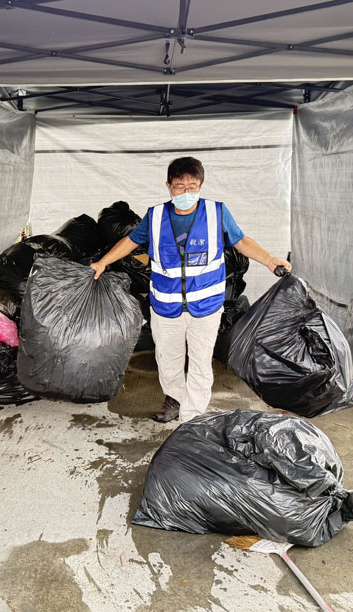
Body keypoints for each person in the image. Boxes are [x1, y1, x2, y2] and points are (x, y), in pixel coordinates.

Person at [90, 156, 291, 424]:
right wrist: (103, 262)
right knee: (168, 360)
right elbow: (130, 241)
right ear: (168, 186)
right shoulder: (156, 216)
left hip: (205, 306)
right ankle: (175, 398)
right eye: (179, 187)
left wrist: (269, 259)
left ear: (201, 185)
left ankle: (192, 417)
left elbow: (241, 241)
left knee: (200, 362)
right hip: (166, 307)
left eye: (192, 187)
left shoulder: (217, 212)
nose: (186, 193)